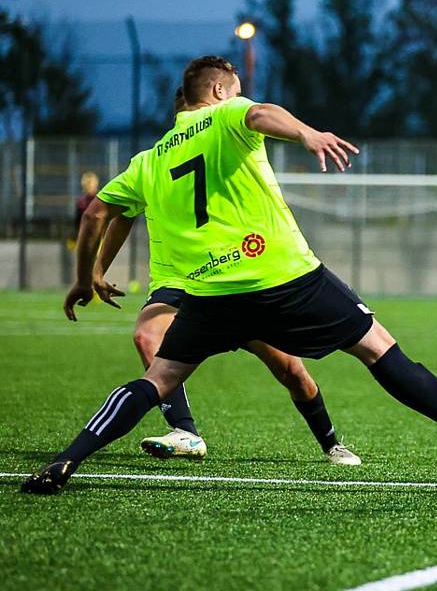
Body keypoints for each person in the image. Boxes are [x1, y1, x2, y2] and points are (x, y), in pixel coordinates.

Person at [22, 55, 437, 494]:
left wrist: (86, 275)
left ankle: (67, 460)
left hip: (209, 293)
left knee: (158, 378)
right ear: (220, 91)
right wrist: (307, 133)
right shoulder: (226, 114)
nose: (243, 98)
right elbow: (264, 113)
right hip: (282, 276)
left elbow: (96, 214)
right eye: (238, 91)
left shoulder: (148, 160)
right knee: (379, 348)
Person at [90, 86, 362, 466]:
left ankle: (331, 441)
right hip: (180, 282)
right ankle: (185, 430)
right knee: (146, 334)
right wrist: (97, 269)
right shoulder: (154, 160)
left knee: (290, 369)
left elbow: (103, 214)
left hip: (231, 280)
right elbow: (118, 212)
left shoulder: (220, 142)